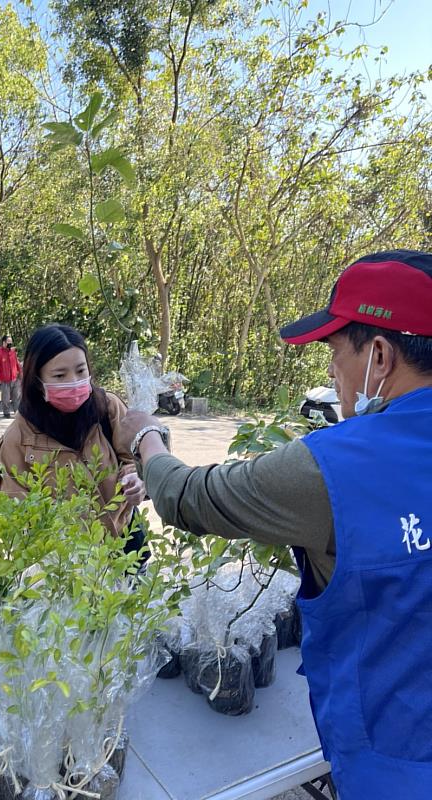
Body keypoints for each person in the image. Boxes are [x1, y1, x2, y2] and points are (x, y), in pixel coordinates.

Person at [114, 250, 432, 799]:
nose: (332, 372)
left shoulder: (335, 467)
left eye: (335, 351)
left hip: (395, 765)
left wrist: (146, 437)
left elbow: (192, 497)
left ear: (379, 355)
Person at [0, 324, 145, 539]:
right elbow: (12, 508)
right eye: (59, 376)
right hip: (64, 560)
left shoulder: (108, 408)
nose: (73, 382)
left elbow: (136, 458)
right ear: (37, 380)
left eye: (80, 370)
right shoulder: (18, 437)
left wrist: (136, 478)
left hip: (124, 541)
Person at [0, 334, 22, 418]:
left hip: (14, 379)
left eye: (11, 343)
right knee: (5, 399)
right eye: (8, 343)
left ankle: (17, 413)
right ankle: (6, 413)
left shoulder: (13, 352)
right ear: (4, 342)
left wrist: (21, 374)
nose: (10, 344)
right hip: (4, 380)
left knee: (16, 397)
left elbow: (17, 363)